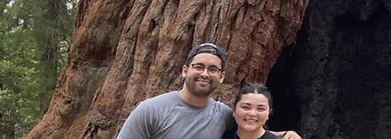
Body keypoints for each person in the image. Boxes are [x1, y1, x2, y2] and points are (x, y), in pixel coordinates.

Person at [115, 43, 299, 139]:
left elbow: (251, 127)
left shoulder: (223, 115)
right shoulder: (151, 110)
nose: (205, 74)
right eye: (198, 67)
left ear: (221, 77)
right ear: (184, 70)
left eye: (213, 69)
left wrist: (285, 134)